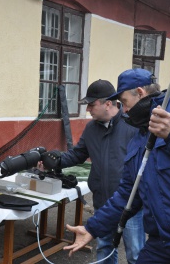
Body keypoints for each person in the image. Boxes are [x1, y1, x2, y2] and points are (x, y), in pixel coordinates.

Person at [62, 68, 170, 264]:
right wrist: (92, 228)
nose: (124, 110)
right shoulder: (139, 137)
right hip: (162, 241)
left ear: (140, 92)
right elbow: (127, 193)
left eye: (125, 102)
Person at [40, 79, 145, 264]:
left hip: (130, 205)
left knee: (136, 254)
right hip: (103, 202)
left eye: (91, 104)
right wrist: (53, 162)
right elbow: (78, 154)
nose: (88, 109)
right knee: (104, 248)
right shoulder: (91, 128)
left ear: (108, 103)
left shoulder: (133, 127)